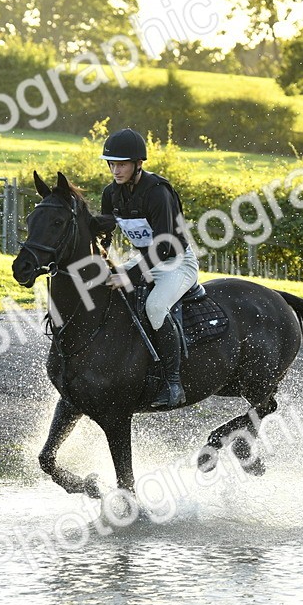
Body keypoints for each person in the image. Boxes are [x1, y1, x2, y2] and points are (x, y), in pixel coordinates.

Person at [97, 128, 199, 409]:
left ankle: (173, 383)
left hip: (177, 263)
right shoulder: (111, 193)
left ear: (138, 164)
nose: (116, 170)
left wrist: (129, 275)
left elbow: (164, 247)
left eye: (122, 164)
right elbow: (106, 230)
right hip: (146, 261)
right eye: (112, 164)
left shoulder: (157, 193)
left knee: (154, 307)